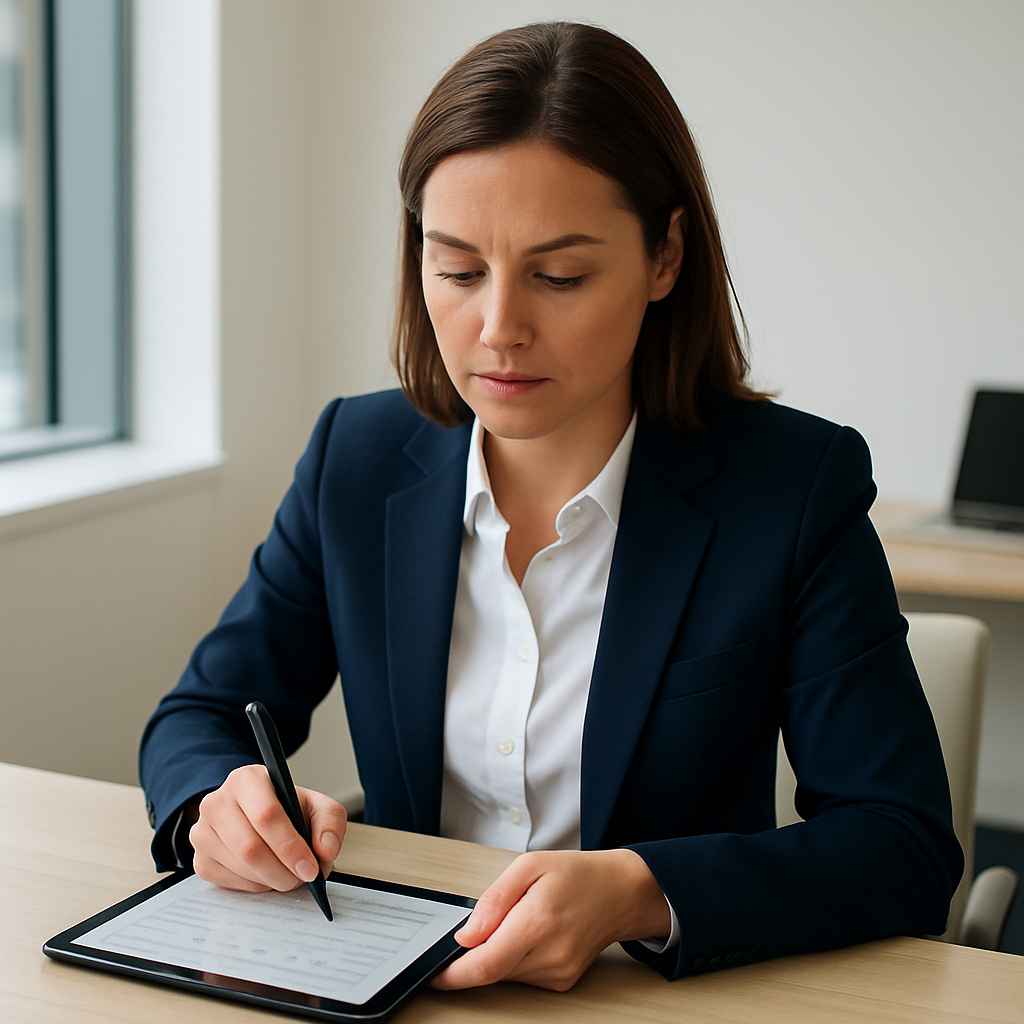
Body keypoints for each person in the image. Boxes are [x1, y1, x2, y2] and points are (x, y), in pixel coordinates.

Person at [139, 19, 963, 992]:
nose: (497, 329)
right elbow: (199, 713)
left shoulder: (789, 489)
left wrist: (638, 888)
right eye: (454, 268)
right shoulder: (356, 461)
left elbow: (898, 843)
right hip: (405, 987)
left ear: (665, 257)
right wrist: (217, 804)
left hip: (659, 995)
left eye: (559, 275)